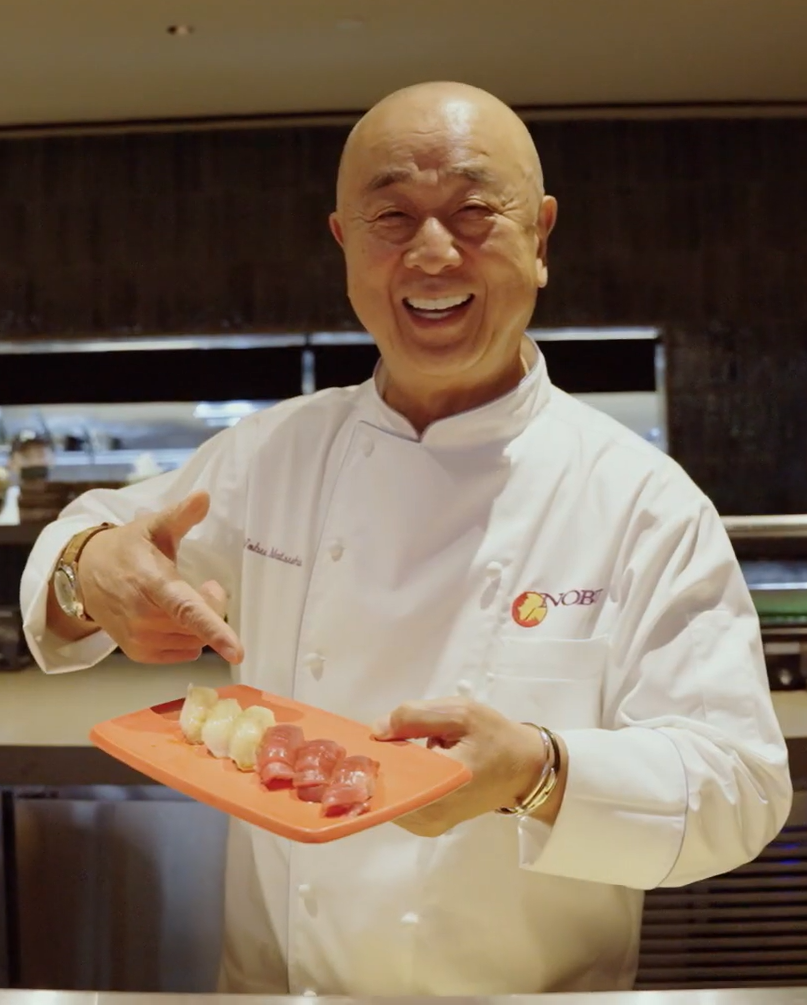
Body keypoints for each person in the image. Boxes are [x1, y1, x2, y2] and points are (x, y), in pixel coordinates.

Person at [21, 81, 791, 995]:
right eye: (392, 216)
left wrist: (540, 772)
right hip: (281, 989)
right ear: (345, 243)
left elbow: (737, 785)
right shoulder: (273, 454)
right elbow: (87, 536)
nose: (431, 254)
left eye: (472, 212)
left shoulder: (639, 501)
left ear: (540, 237)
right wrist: (87, 573)